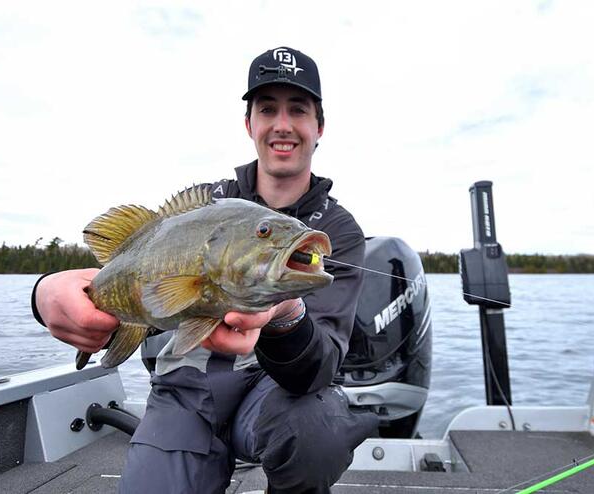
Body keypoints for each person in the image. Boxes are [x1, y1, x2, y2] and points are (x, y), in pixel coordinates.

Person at [31, 46, 378, 493]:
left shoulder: (339, 230)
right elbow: (139, 273)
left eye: (299, 110)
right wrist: (45, 295)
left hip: (274, 393)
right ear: (249, 124)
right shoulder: (208, 204)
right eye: (267, 109)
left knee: (319, 433)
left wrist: (286, 314)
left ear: (320, 126)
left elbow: (320, 368)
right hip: (185, 389)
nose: (283, 124)